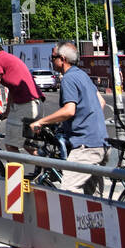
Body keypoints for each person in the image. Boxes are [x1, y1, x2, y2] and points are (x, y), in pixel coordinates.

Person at [30, 42, 107, 195]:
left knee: (68, 191)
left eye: (53, 57)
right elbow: (101, 102)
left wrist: (40, 122)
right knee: (93, 197)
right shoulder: (82, 75)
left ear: (62, 59)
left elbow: (69, 110)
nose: (51, 61)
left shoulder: (68, 78)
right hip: (101, 141)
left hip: (86, 146)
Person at [0, 37, 43, 152]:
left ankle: (46, 167)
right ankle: (49, 168)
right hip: (35, 103)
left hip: (26, 105)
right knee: (29, 145)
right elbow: (12, 88)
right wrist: (7, 112)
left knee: (11, 145)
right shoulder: (8, 57)